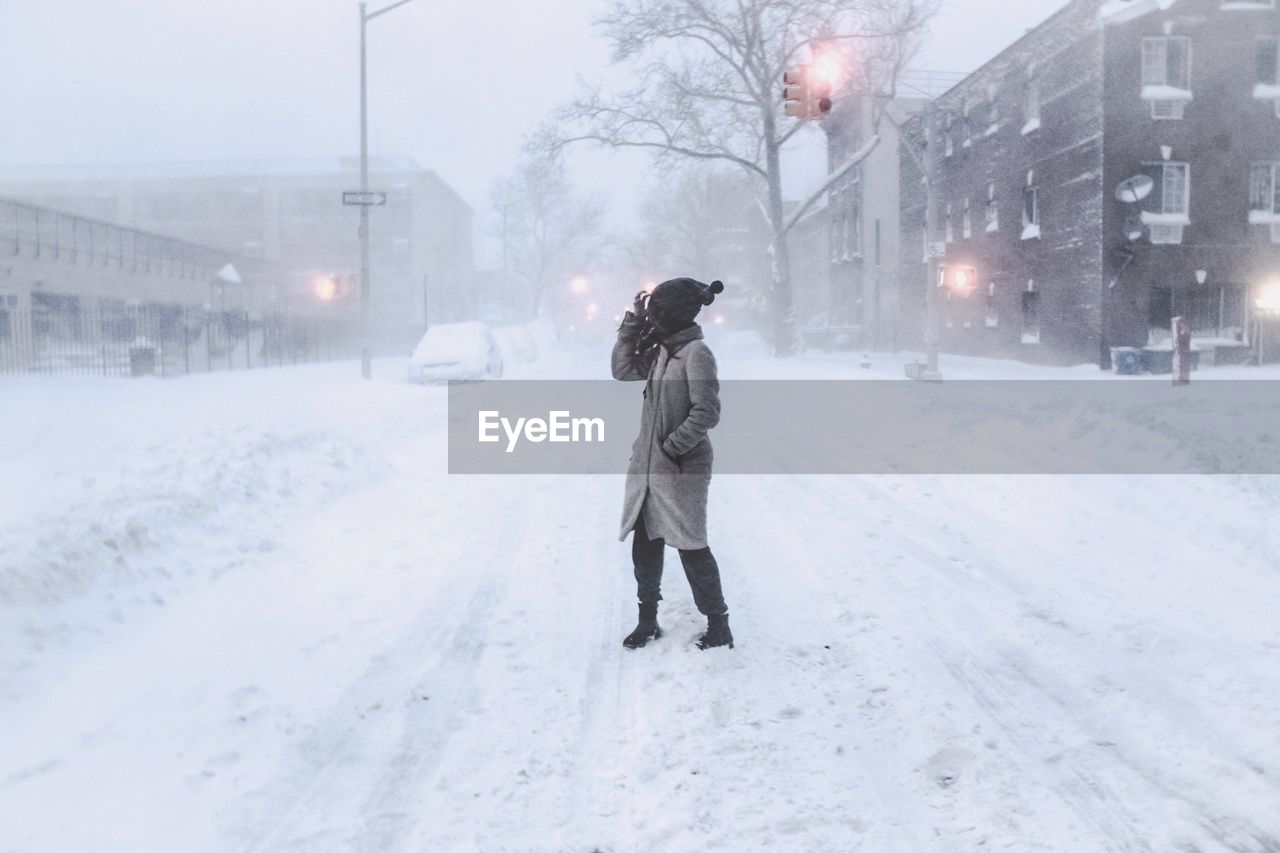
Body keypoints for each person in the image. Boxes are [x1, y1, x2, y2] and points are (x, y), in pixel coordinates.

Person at [611, 277, 732, 651]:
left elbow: (707, 411)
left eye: (657, 312)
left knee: (691, 546)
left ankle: (719, 625)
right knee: (645, 544)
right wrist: (632, 325)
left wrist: (671, 447)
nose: (654, 318)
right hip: (649, 465)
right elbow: (622, 370)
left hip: (681, 467)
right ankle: (647, 621)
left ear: (676, 314)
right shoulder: (664, 351)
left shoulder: (696, 353)